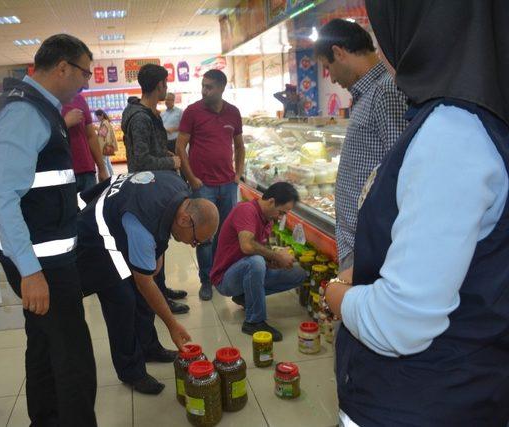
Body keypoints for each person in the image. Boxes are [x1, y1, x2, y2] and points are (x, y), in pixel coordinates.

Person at [324, 1, 509, 425]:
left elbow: (398, 324)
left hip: (416, 401)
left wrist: (337, 293)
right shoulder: (473, 119)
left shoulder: (451, 131)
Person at [0, 34, 97, 426]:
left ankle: (45, 419)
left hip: (47, 256)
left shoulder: (42, 110)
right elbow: (3, 197)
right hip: (41, 263)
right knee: (72, 356)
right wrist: (30, 271)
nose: (86, 82)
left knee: (46, 346)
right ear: (62, 67)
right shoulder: (24, 113)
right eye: (85, 72)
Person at [76, 171, 219, 394]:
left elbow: (160, 234)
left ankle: (149, 347)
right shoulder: (142, 227)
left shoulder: (178, 189)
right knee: (122, 301)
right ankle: (131, 371)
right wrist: (172, 325)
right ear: (185, 219)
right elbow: (145, 283)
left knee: (144, 293)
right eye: (195, 240)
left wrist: (155, 259)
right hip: (95, 239)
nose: (193, 245)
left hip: (122, 217)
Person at [314, 18, 407, 279]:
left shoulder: (386, 91)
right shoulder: (367, 94)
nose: (330, 77)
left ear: (338, 53)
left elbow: (400, 172)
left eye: (327, 67)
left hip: (373, 244)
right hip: (358, 240)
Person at [122, 64, 189, 314]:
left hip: (155, 186)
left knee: (160, 243)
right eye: (165, 84)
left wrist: (165, 154)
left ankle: (161, 287)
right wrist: (170, 161)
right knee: (154, 242)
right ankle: (158, 294)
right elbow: (139, 161)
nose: (167, 88)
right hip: (147, 190)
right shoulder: (140, 118)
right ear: (158, 85)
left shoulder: (150, 113)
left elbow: (151, 150)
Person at [176, 69, 245, 301]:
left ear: (222, 88)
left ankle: (219, 275)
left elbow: (240, 145)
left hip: (227, 184)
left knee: (225, 233)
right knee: (204, 235)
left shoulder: (233, 113)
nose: (204, 91)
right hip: (203, 185)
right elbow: (180, 147)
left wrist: (238, 175)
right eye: (203, 86)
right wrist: (191, 178)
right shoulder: (193, 112)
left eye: (209, 87)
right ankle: (206, 280)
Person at [210, 182, 306, 341]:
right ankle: (254, 322)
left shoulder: (267, 220)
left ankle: (245, 297)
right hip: (225, 279)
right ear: (271, 202)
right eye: (281, 212)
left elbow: (259, 251)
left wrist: (273, 261)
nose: (281, 217)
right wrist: (276, 256)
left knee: (298, 273)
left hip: (244, 271)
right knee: (255, 263)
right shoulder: (246, 210)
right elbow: (247, 246)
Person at [62, 92, 109, 193]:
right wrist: (65, 123)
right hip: (63, 172)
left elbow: (91, 136)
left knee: (93, 206)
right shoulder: (45, 101)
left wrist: (102, 169)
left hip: (87, 169)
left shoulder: (79, 99)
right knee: (69, 208)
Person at [94, 109, 117, 176]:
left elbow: (103, 133)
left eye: (98, 117)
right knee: (107, 162)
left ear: (101, 115)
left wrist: (96, 128)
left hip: (104, 145)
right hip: (106, 145)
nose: (98, 119)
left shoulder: (105, 122)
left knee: (104, 163)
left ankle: (108, 177)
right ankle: (111, 176)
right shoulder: (106, 122)